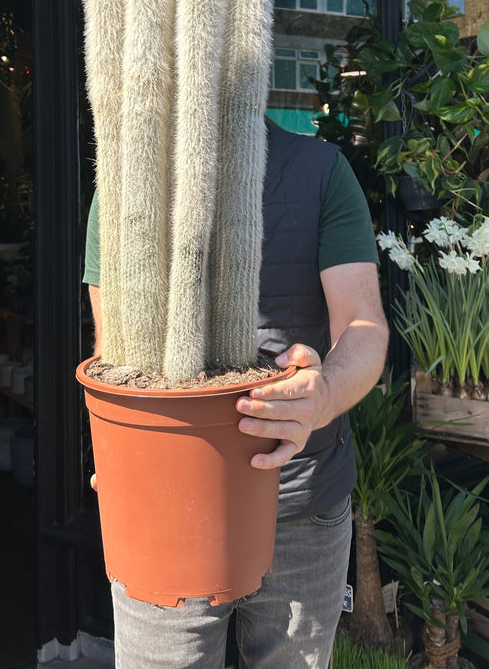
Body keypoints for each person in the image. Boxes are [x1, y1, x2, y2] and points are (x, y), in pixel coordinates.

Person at [83, 120, 390, 669]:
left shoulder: (320, 171)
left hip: (301, 508)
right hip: (166, 511)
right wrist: (118, 454)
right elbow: (114, 354)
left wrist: (321, 394)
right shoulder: (126, 182)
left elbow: (364, 326)